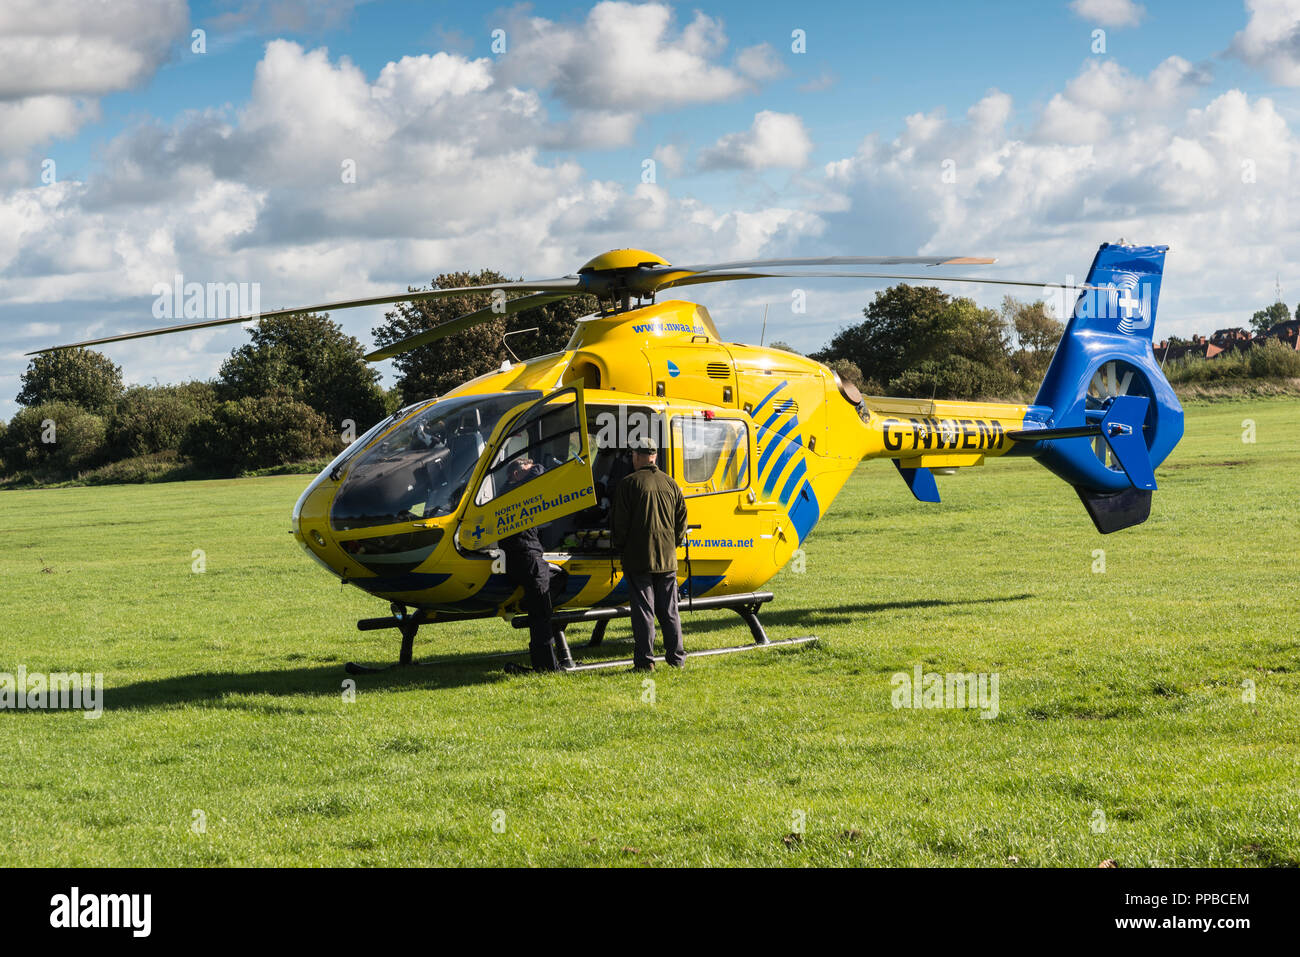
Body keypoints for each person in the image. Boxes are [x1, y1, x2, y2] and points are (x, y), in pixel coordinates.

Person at [611, 435, 688, 671]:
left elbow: (619, 525)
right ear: (654, 456)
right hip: (667, 559)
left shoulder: (629, 483)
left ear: (637, 456)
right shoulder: (671, 483)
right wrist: (671, 543)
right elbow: (682, 521)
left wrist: (620, 547)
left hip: (639, 559)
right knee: (669, 610)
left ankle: (645, 662)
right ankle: (676, 658)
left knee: (644, 611)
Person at [499, 456, 574, 672]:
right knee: (541, 610)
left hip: (526, 554)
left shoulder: (510, 490)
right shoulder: (514, 491)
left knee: (557, 580)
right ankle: (546, 665)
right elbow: (539, 471)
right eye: (526, 467)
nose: (532, 469)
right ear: (516, 474)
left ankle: (529, 607)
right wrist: (537, 464)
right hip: (526, 554)